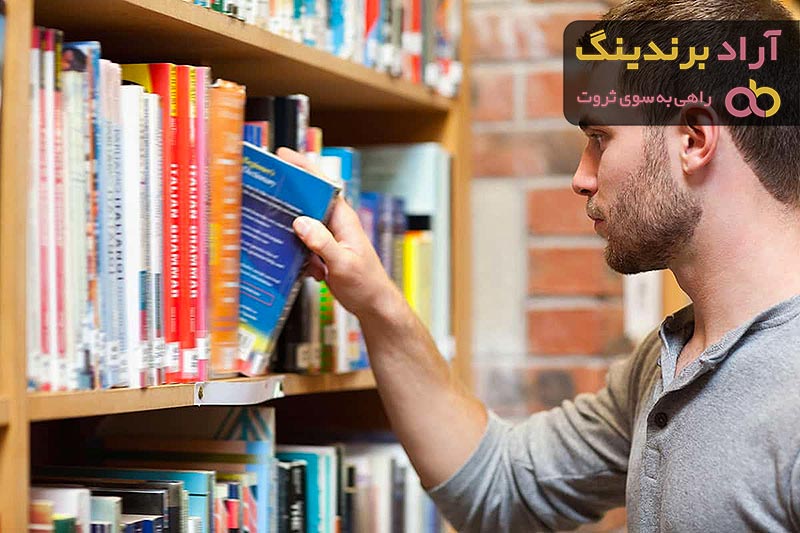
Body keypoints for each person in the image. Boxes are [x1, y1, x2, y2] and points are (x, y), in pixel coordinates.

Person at [279, 0, 800, 530]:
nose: (581, 178)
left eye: (600, 139)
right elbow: (500, 485)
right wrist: (375, 301)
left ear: (693, 139)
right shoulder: (669, 362)